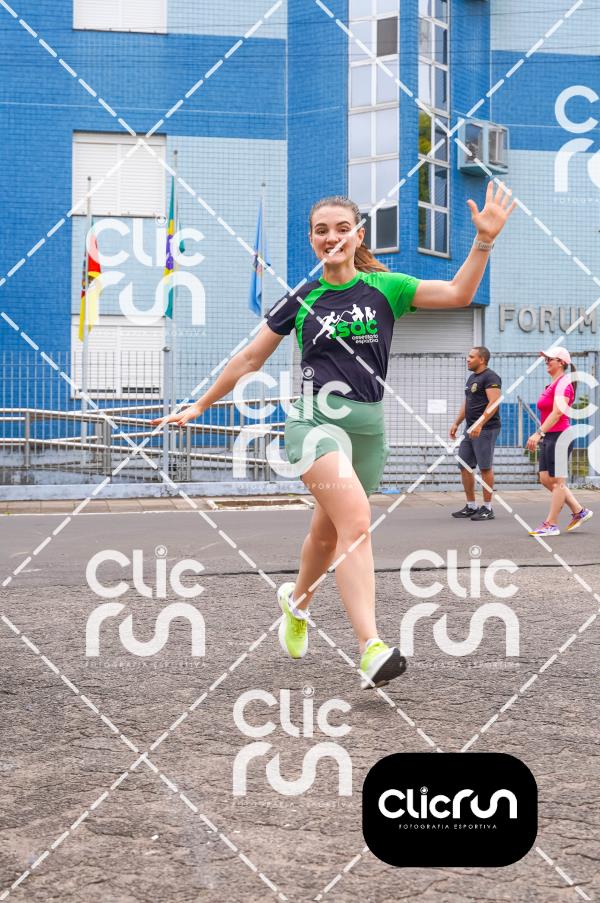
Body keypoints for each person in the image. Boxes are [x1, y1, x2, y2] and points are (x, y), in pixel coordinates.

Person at [153, 182, 515, 689]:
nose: (332, 237)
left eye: (343, 228)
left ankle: (297, 602)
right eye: (322, 230)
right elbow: (250, 358)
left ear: (358, 235)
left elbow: (459, 294)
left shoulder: (386, 289)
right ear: (312, 239)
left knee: (329, 534)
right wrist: (200, 403)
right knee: (358, 524)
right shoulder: (302, 299)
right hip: (314, 421)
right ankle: (371, 647)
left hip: (367, 429)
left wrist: (484, 242)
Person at [526, 347, 593, 537]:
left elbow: (557, 413)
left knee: (558, 483)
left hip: (561, 436)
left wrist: (538, 433)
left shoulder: (564, 384)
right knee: (545, 479)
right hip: (550, 437)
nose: (546, 362)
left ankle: (551, 524)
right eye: (546, 359)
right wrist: (543, 434)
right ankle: (579, 511)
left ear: (561, 362)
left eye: (550, 359)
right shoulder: (551, 385)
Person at [450, 346, 502, 521]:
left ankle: (487, 508)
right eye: (468, 356)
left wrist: (480, 424)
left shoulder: (491, 377)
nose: (468, 359)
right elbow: (467, 403)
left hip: (486, 428)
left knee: (485, 467)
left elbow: (494, 403)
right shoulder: (472, 378)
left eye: (471, 357)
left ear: (482, 359)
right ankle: (471, 506)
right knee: (464, 465)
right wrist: (457, 423)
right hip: (470, 428)